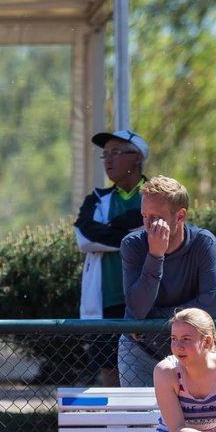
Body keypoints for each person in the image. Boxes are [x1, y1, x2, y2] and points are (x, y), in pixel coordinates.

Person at [119, 175, 216, 432]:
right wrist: (156, 255)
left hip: (191, 357)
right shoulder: (134, 245)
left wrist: (172, 326)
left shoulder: (203, 244)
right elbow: (138, 309)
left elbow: (211, 308)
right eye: (144, 216)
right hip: (140, 350)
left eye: (158, 218)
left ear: (180, 215)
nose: (149, 225)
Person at [73, 129, 149, 386]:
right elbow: (84, 238)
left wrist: (107, 231)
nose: (108, 160)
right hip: (105, 301)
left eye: (116, 153)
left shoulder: (158, 196)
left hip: (147, 301)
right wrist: (129, 233)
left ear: (137, 157)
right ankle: (115, 426)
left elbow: (154, 232)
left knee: (152, 367)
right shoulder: (97, 199)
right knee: (110, 367)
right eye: (105, 154)